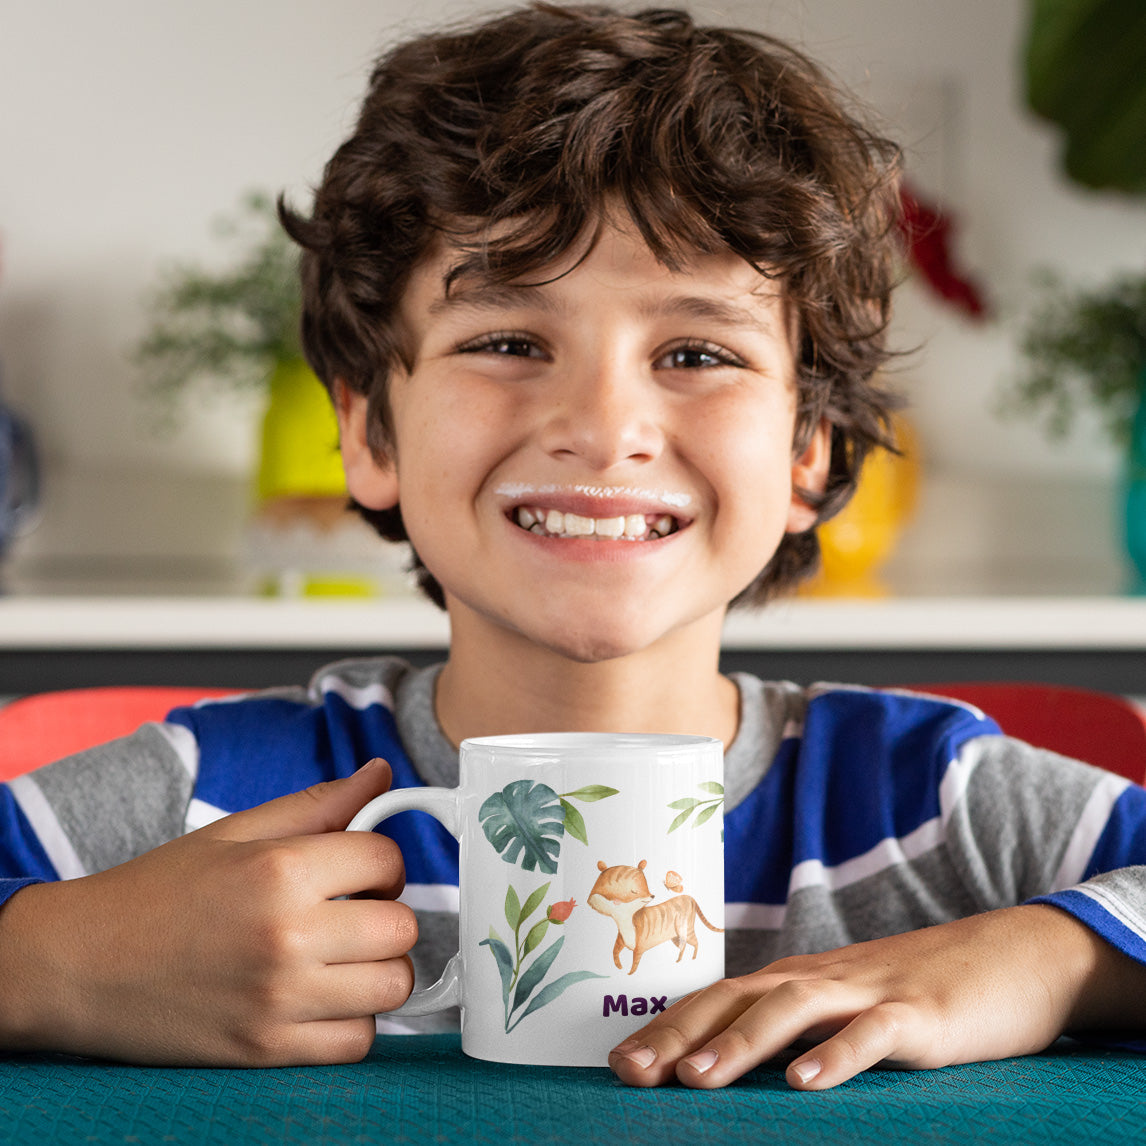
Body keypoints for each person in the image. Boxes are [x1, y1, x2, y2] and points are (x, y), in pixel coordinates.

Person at [2, 2, 1145, 1089]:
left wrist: (1036, 960)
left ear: (812, 449)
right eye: (507, 338)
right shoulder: (210, 802)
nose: (603, 428)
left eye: (698, 353)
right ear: (368, 431)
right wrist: (54, 961)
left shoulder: (937, 801)